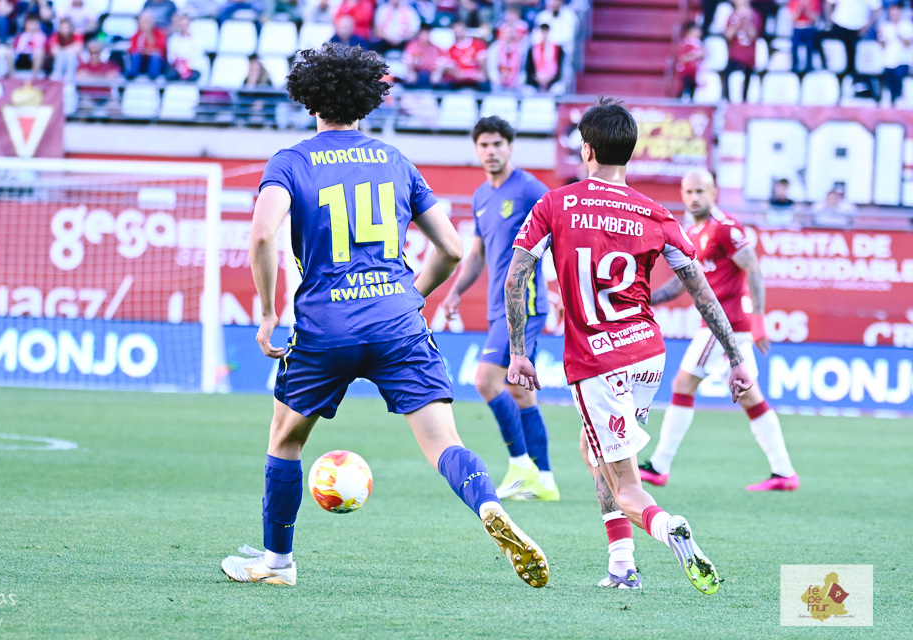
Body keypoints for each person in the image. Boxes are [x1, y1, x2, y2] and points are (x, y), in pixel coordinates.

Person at [221, 43, 550, 590]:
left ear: (310, 101)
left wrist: (268, 312)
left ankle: (277, 561)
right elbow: (451, 248)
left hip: (326, 325)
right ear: (366, 102)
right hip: (397, 320)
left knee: (286, 440)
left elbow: (261, 235)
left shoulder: (291, 161)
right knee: (443, 442)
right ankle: (488, 504)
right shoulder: (395, 160)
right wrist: (409, 298)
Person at [505, 98, 754, 594]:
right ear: (630, 152)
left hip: (597, 361)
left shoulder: (555, 204)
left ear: (587, 149)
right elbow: (702, 292)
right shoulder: (655, 213)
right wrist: (735, 357)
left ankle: (668, 527)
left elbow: (516, 279)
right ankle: (622, 566)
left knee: (626, 486)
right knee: (593, 446)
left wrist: (518, 351)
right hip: (646, 354)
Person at [638, 170, 800, 493]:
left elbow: (753, 269)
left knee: (683, 384)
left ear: (714, 193)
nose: (694, 197)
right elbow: (683, 283)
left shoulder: (725, 228)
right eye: (688, 192)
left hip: (724, 324)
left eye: (700, 191)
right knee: (751, 396)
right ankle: (784, 473)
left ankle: (659, 466)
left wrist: (759, 320)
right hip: (720, 326)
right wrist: (647, 298)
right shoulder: (691, 231)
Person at [441, 117, 558, 502]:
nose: (490, 151)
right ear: (477, 150)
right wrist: (456, 292)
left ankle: (521, 465)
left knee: (485, 380)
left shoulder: (529, 189)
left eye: (497, 144)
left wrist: (560, 288)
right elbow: (477, 253)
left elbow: (560, 236)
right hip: (497, 306)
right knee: (520, 392)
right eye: (484, 145)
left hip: (524, 303)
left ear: (510, 147)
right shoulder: (480, 196)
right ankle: (544, 479)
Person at [820, 0, 881, 77]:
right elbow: (828, 3)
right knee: (818, 37)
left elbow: (877, 9)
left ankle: (851, 78)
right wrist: (829, 22)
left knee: (851, 58)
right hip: (839, 25)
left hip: (856, 28)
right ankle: (824, 65)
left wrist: (867, 27)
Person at [721, 0, 762, 102]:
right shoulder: (732, 16)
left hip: (749, 57)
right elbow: (728, 35)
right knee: (727, 74)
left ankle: (744, 101)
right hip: (735, 56)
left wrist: (747, 22)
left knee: (748, 75)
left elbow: (753, 35)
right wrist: (737, 24)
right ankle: (728, 100)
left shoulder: (755, 15)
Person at [879, 3, 912, 105]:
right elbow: (882, 45)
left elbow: (908, 43)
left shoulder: (907, 25)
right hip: (888, 61)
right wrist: (881, 38)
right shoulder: (885, 26)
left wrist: (898, 34)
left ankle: (899, 99)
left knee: (899, 80)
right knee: (889, 84)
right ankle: (893, 102)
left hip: (902, 60)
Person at [442, 19, 488, 90]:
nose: (459, 33)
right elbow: (450, 66)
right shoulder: (451, 49)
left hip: (475, 77)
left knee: (484, 84)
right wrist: (456, 73)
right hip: (459, 80)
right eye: (456, 31)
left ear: (465, 29)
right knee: (447, 84)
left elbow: (483, 60)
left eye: (460, 30)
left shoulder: (477, 44)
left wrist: (482, 72)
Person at [126, 11, 167, 79]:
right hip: (141, 61)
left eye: (147, 21)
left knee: (155, 56)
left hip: (155, 62)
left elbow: (160, 48)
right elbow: (133, 49)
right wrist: (145, 50)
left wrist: (148, 34)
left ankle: (153, 76)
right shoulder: (136, 35)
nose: (145, 23)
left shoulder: (160, 33)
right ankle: (131, 75)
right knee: (136, 55)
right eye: (143, 21)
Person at [166, 13, 206, 81]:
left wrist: (185, 64)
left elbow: (198, 55)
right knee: (171, 75)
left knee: (193, 76)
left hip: (192, 67)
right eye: (181, 25)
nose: (183, 28)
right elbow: (171, 56)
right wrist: (179, 63)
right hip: (177, 67)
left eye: (185, 25)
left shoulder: (197, 39)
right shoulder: (173, 39)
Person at [402, 23, 443, 88]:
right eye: (423, 33)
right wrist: (411, 72)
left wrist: (437, 73)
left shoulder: (435, 48)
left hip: (430, 73)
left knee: (436, 79)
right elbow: (407, 61)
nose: (425, 36)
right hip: (416, 72)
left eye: (427, 33)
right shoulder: (412, 46)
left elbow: (440, 62)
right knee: (411, 78)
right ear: (419, 34)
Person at [525, 23, 564, 92]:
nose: (544, 34)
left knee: (558, 89)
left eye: (546, 32)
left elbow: (559, 67)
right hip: (536, 80)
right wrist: (537, 78)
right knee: (528, 90)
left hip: (552, 79)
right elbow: (529, 68)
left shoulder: (557, 49)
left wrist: (550, 78)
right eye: (542, 32)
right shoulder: (532, 49)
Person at [789, 0, 823, 73]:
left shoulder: (815, 1)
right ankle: (794, 65)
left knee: (810, 43)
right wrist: (799, 9)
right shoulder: (794, 1)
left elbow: (816, 19)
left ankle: (809, 65)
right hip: (797, 28)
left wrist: (808, 10)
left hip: (809, 27)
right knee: (794, 44)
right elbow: (792, 18)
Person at [676, 21, 705, 101]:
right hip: (687, 71)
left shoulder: (699, 43)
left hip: (695, 72)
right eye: (697, 31)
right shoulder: (686, 44)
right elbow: (683, 58)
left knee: (693, 89)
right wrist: (697, 55)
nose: (699, 33)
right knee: (686, 87)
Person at [49, 17, 84, 82]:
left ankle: (70, 75)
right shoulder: (56, 35)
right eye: (63, 28)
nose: (65, 30)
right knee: (60, 55)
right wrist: (67, 49)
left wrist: (63, 50)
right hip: (61, 59)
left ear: (71, 28)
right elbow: (53, 51)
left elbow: (78, 49)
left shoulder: (77, 35)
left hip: (74, 61)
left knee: (71, 55)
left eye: (66, 28)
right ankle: (57, 73)